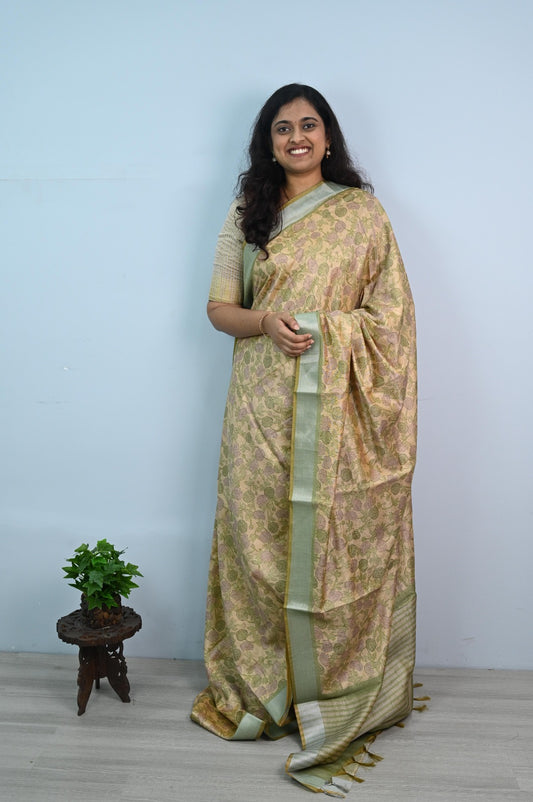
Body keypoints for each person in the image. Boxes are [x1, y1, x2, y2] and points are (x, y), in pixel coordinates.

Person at [191, 83, 417, 797]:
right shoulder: (246, 214)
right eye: (282, 127)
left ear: (328, 137)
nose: (295, 137)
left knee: (331, 537)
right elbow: (219, 309)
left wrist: (329, 329)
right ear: (267, 141)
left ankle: (335, 690)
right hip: (260, 402)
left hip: (342, 415)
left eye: (308, 125)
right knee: (256, 536)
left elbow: (390, 320)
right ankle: (266, 690)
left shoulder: (361, 214)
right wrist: (268, 322)